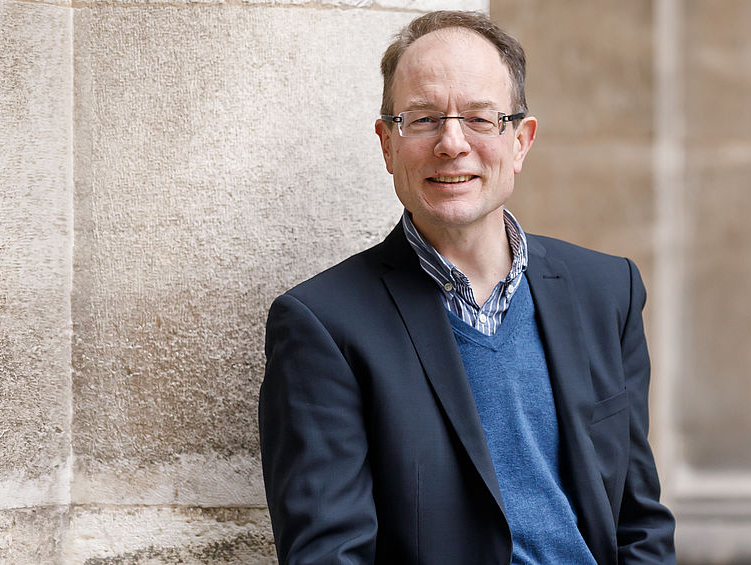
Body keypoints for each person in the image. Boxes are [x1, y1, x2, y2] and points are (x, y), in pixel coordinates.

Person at [259, 10, 676, 565]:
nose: (452, 143)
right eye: (424, 119)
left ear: (520, 141)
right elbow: (330, 556)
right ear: (387, 144)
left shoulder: (606, 291)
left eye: (480, 118)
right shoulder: (323, 325)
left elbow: (639, 521)